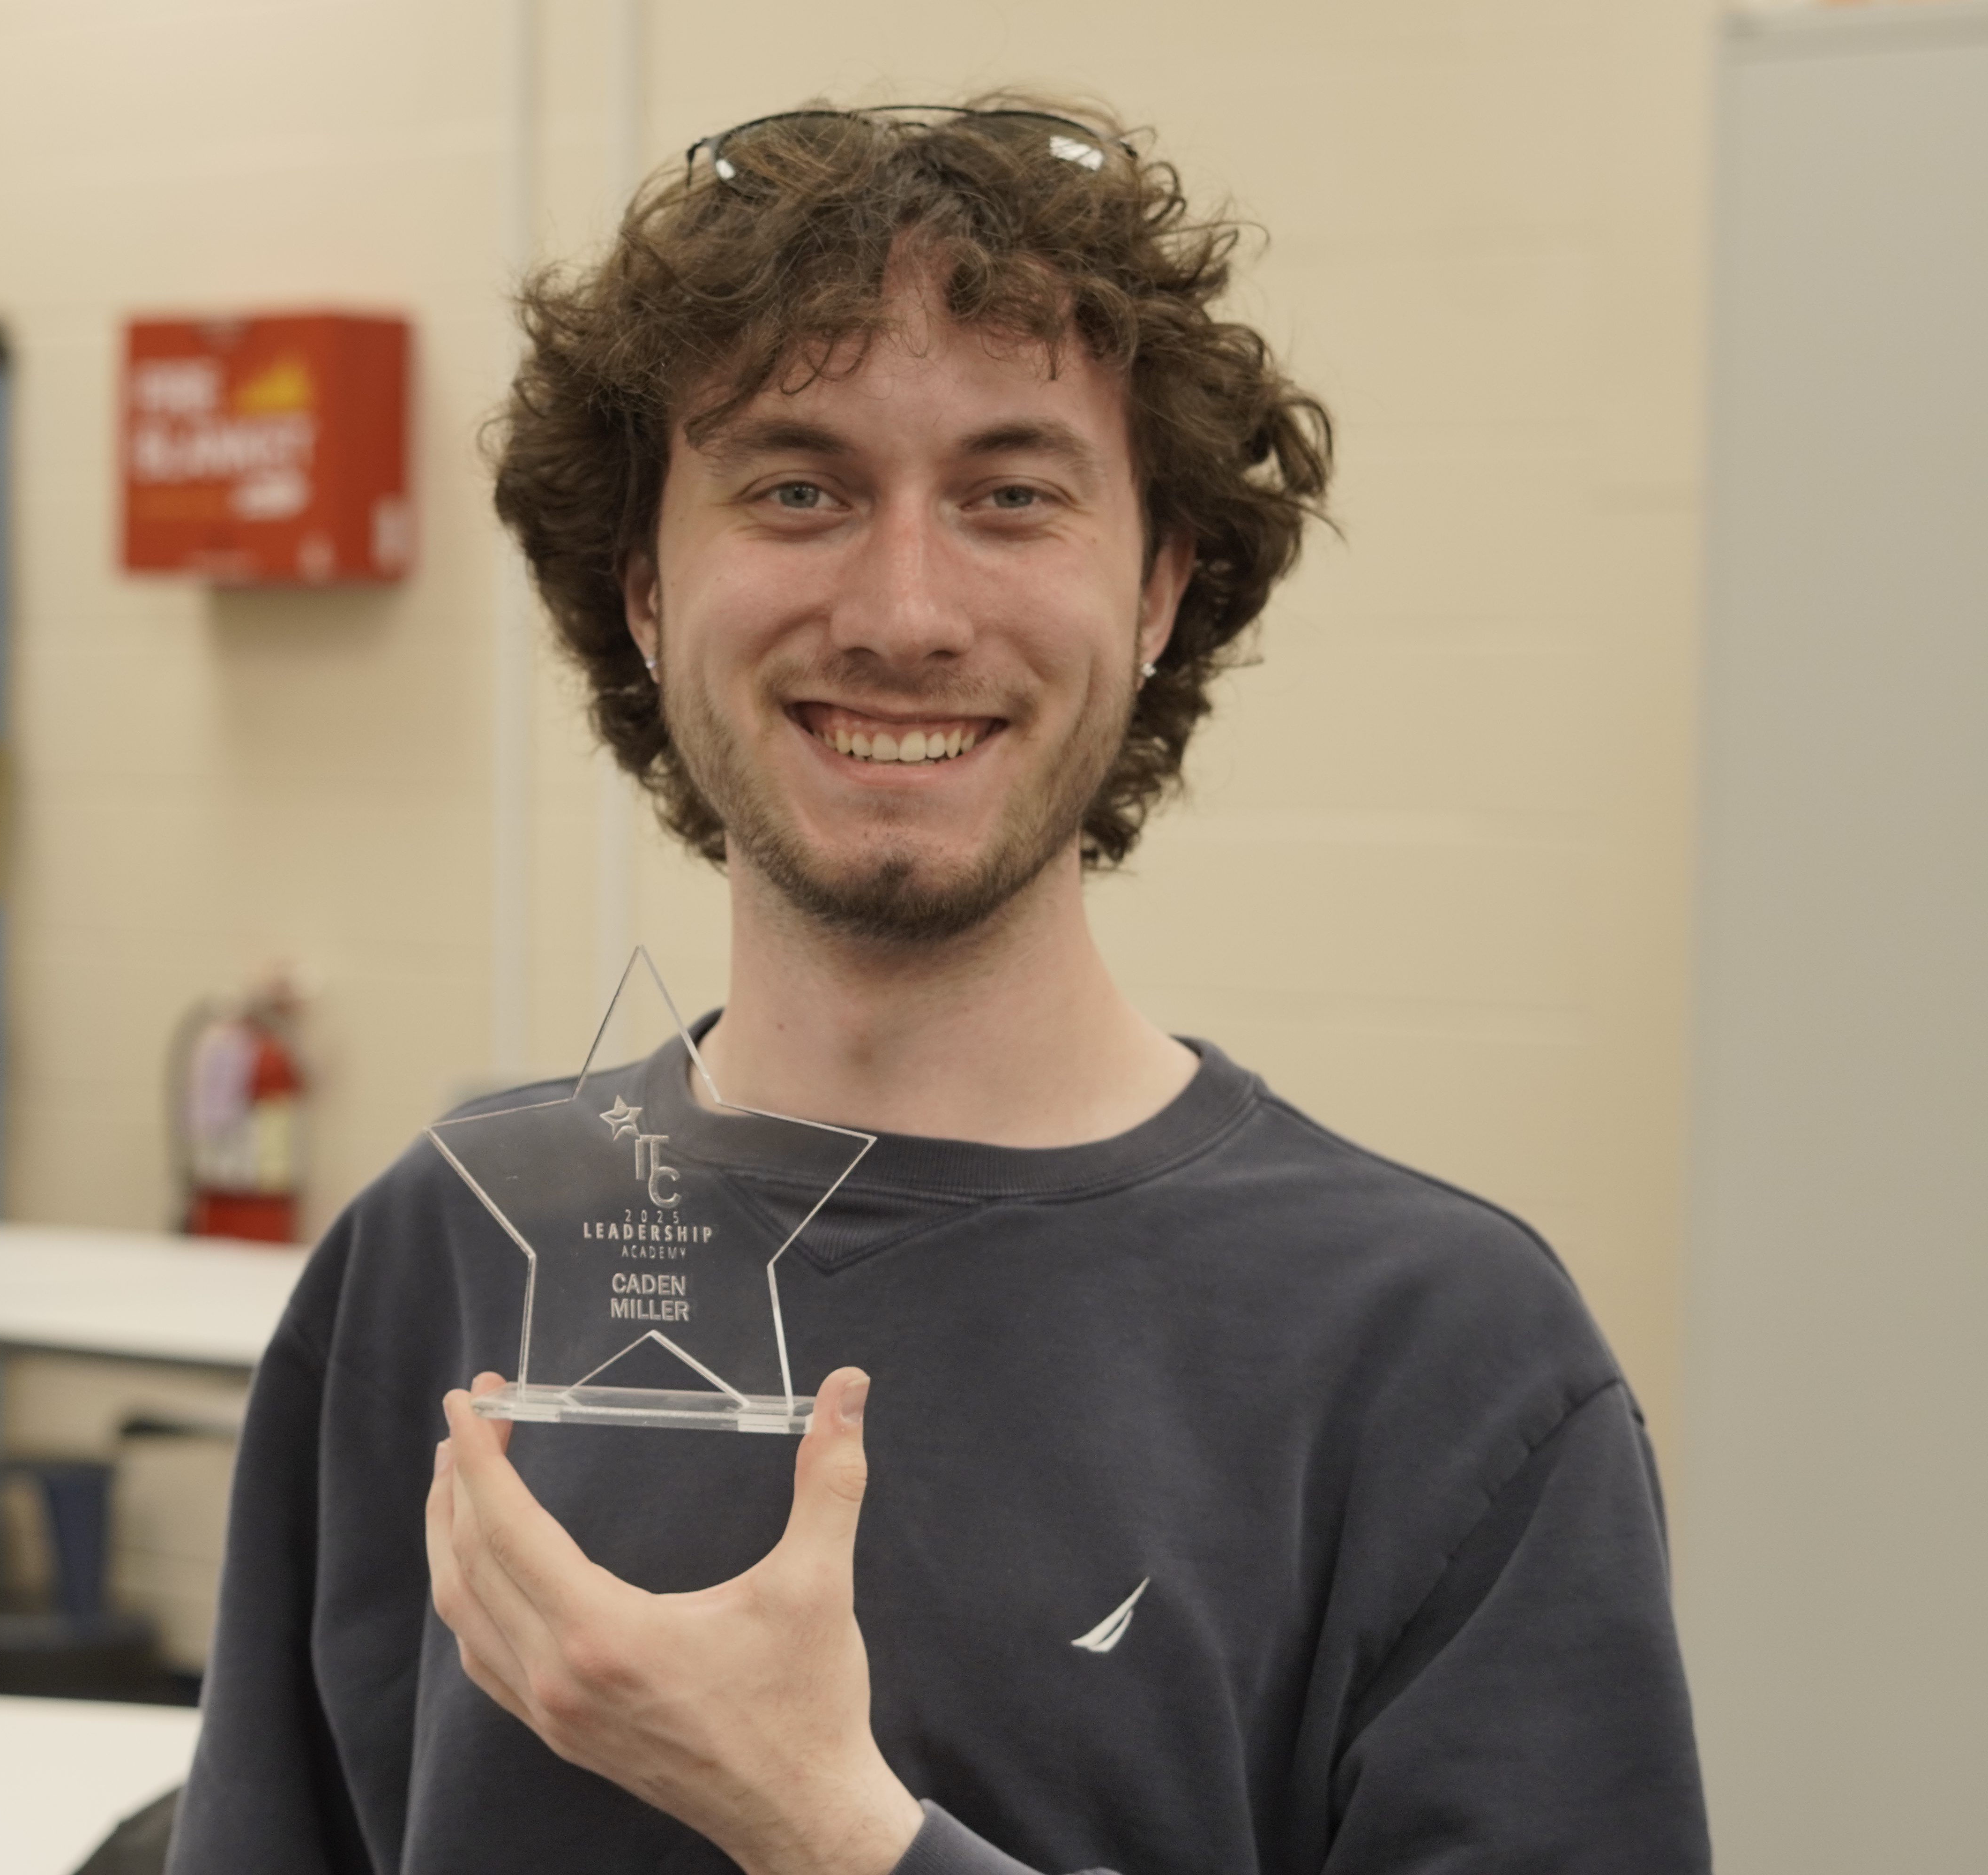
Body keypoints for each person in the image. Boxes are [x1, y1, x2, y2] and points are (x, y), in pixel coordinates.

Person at [166, 98, 1709, 1875]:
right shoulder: (440, 1260)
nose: (906, 608)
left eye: (1012, 496)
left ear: (1158, 590)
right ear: (649, 591)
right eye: (799, 487)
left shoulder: (1440, 1364)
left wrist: (826, 1827)